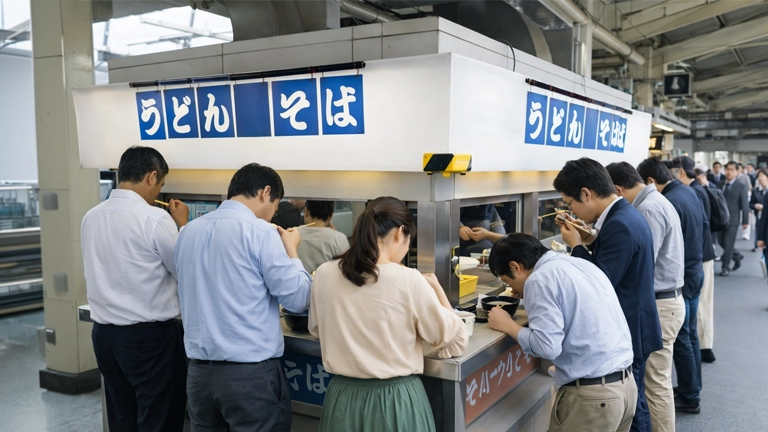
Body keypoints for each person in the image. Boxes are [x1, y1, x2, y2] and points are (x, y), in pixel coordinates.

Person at [309, 197, 468, 432]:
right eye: (408, 241)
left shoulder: (324, 273)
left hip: (342, 401)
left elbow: (317, 331)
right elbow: (455, 340)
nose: (406, 249)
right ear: (399, 232)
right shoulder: (408, 279)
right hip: (396, 402)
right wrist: (437, 289)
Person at [175, 163, 312, 432]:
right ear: (265, 192)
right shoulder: (260, 233)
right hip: (250, 378)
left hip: (199, 376)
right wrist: (292, 251)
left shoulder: (187, 232)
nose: (274, 213)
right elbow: (298, 299)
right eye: (275, 206)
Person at [81, 146, 190, 432]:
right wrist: (182, 227)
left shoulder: (91, 217)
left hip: (104, 336)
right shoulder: (155, 219)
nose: (158, 193)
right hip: (149, 341)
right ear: (152, 176)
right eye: (161, 185)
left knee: (121, 419)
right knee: (158, 420)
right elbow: (184, 271)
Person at [553, 157, 661, 432]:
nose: (571, 209)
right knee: (634, 404)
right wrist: (586, 236)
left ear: (586, 193)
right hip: (636, 320)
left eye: (570, 203)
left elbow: (599, 282)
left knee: (635, 411)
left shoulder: (620, 224)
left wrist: (576, 246)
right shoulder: (624, 215)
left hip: (630, 327)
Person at [487, 234, 636, 432]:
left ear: (516, 266)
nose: (511, 288)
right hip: (626, 388)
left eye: (507, 281)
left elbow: (546, 347)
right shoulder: (579, 264)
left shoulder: (539, 280)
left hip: (592, 399)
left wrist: (506, 324)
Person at [605, 162, 684, 432]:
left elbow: (641, 261)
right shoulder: (656, 200)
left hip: (661, 303)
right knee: (655, 383)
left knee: (654, 386)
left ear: (617, 188)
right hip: (667, 300)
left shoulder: (648, 207)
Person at [638, 157, 706, 415]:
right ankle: (692, 388)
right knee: (688, 335)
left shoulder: (663, 203)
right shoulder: (689, 192)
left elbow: (652, 254)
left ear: (650, 181)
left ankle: (690, 394)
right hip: (694, 269)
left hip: (680, 276)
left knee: (682, 340)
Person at [682, 161, 718, 365]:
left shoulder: (693, 192)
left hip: (700, 256)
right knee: (704, 302)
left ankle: (705, 347)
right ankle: (704, 345)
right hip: (705, 254)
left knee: (702, 304)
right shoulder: (699, 190)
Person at [297, 200, 350, 273]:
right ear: (330, 217)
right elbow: (345, 269)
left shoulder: (291, 234)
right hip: (328, 283)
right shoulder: (339, 238)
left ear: (306, 211)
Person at [718, 161, 750, 276]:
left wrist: (745, 221)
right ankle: (737, 256)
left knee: (729, 243)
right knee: (721, 242)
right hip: (720, 220)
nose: (729, 172)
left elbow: (745, 204)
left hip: (733, 220)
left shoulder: (741, 186)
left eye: (732, 170)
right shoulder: (720, 184)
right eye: (727, 169)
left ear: (737, 172)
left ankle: (725, 267)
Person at [750, 169, 768, 252]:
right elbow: (750, 204)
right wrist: (755, 206)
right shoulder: (756, 191)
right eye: (759, 176)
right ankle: (757, 242)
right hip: (760, 215)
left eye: (762, 176)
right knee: (759, 228)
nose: (760, 178)